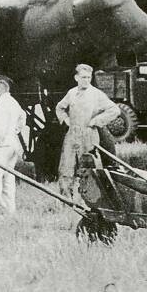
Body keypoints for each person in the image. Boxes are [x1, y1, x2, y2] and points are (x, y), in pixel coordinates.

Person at [55, 64, 121, 197]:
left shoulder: (96, 94)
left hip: (89, 135)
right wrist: (66, 120)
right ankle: (66, 200)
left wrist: (96, 121)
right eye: (83, 77)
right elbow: (60, 108)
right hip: (72, 135)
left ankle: (91, 200)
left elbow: (114, 110)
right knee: (66, 168)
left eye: (88, 77)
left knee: (88, 168)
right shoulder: (71, 93)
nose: (86, 80)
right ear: (76, 78)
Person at [0, 76, 26, 217]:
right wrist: (15, 130)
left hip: (2, 145)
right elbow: (23, 116)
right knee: (9, 178)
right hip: (13, 144)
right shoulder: (13, 102)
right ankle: (9, 211)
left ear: (2, 87)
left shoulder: (1, 104)